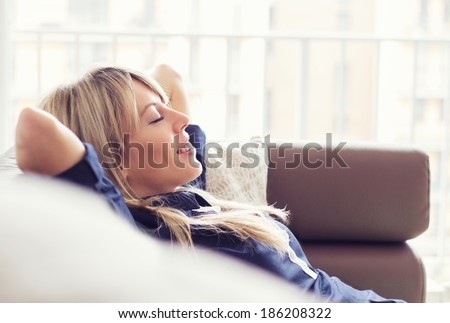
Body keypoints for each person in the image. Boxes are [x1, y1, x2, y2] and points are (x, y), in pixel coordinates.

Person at [15, 64, 404, 303]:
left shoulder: (183, 195)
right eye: (155, 118)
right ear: (113, 159)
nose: (181, 118)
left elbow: (170, 73)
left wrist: (131, 95)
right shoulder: (135, 230)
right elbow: (34, 129)